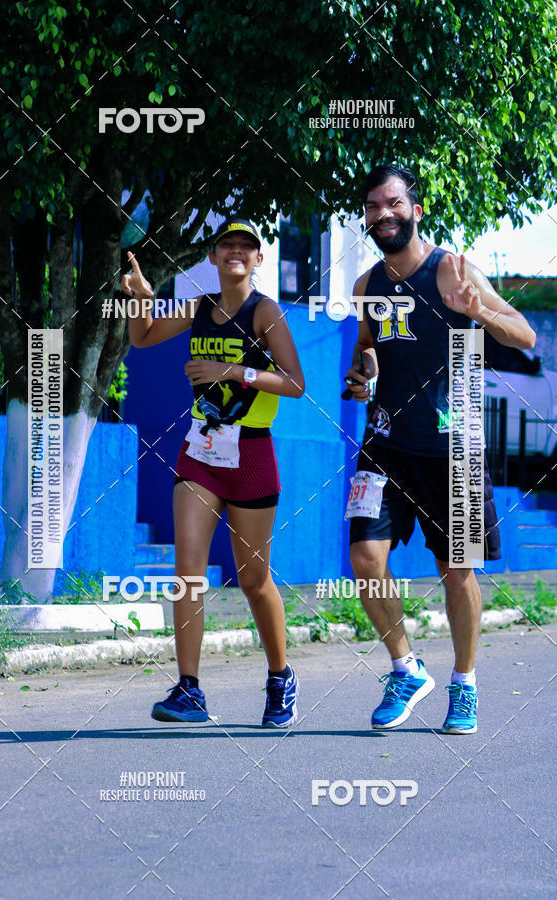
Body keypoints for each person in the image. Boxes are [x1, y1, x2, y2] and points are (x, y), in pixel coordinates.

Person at [345, 164, 536, 734]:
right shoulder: (367, 287)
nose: (385, 214)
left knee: (457, 572)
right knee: (364, 559)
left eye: (395, 203)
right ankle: (406, 668)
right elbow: (369, 348)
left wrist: (475, 308)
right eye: (374, 206)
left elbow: (523, 335)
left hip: (456, 447)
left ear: (416, 209)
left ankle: (465, 683)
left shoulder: (451, 269)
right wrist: (363, 376)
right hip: (386, 442)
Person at [122, 218, 305, 727]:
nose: (237, 252)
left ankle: (280, 676)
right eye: (228, 244)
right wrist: (140, 299)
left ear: (259, 258)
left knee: (253, 579)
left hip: (251, 454)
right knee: (188, 574)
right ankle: (190, 689)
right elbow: (143, 339)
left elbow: (294, 382)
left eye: (247, 246)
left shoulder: (263, 311)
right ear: (213, 255)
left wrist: (230, 371)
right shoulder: (199, 307)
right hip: (201, 453)